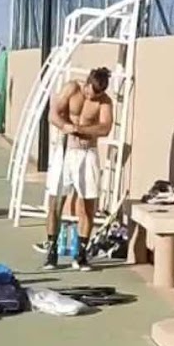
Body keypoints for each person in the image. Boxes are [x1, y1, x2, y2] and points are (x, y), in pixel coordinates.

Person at [42, 67, 113, 269]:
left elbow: (105, 127)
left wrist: (80, 130)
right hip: (65, 151)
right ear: (87, 83)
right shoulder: (72, 88)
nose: (92, 97)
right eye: (91, 92)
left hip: (87, 152)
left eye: (97, 94)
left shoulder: (104, 102)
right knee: (56, 201)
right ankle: (52, 250)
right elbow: (53, 114)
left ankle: (81, 254)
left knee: (87, 205)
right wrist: (65, 126)